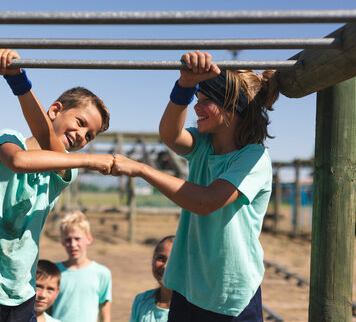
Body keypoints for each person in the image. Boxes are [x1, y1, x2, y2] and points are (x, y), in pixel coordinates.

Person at [0, 49, 113, 322]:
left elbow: (51, 147)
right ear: (55, 110)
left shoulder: (63, 172)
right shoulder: (8, 139)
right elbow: (19, 160)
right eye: (80, 123)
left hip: (20, 292)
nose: (81, 135)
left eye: (89, 136)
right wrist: (16, 78)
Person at [111, 50, 279, 321]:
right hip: (189, 286)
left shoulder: (253, 157)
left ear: (232, 107)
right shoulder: (203, 144)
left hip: (230, 294)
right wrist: (184, 87)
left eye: (206, 100)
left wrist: (143, 170)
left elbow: (206, 201)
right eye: (196, 99)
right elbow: (169, 134)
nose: (197, 107)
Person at [51, 210, 112, 322]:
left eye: (77, 239)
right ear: (62, 242)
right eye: (68, 240)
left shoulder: (102, 273)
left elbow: (105, 309)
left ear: (89, 239)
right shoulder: (54, 272)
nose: (73, 244)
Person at [129, 235, 174, 322]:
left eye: (172, 260)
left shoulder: (192, 308)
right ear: (152, 260)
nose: (165, 266)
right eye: (161, 258)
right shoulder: (141, 301)